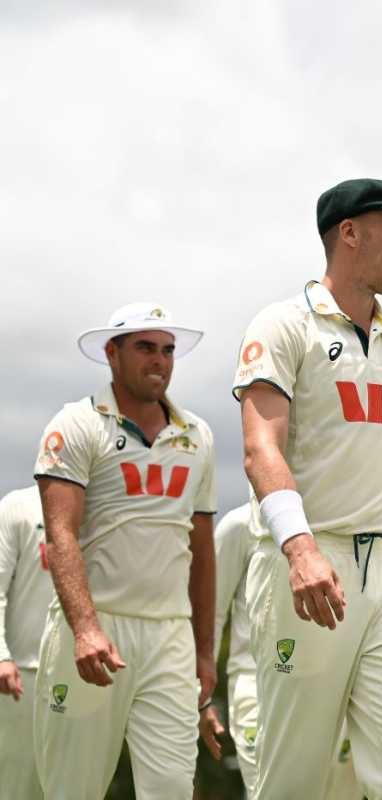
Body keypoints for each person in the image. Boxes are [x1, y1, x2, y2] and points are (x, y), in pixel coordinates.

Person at [233, 178, 382, 798]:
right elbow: (259, 448)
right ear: (348, 233)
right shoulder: (282, 324)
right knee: (295, 774)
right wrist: (299, 551)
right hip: (310, 562)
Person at [32, 303, 217, 798]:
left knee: (174, 788)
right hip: (96, 632)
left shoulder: (198, 436)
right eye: (145, 348)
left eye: (168, 350)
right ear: (111, 354)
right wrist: (86, 628)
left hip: (170, 638)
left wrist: (204, 652)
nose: (159, 360)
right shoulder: (75, 425)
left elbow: (200, 548)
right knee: (73, 788)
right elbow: (61, 533)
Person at [202, 503, 363, 798]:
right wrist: (200, 694)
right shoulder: (238, 525)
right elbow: (211, 614)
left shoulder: (341, 518)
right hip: (256, 688)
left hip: (330, 690)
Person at [0, 485, 55, 799]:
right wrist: (1, 655)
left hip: (84, 677)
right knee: (16, 789)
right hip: (22, 676)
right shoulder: (19, 506)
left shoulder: (106, 506)